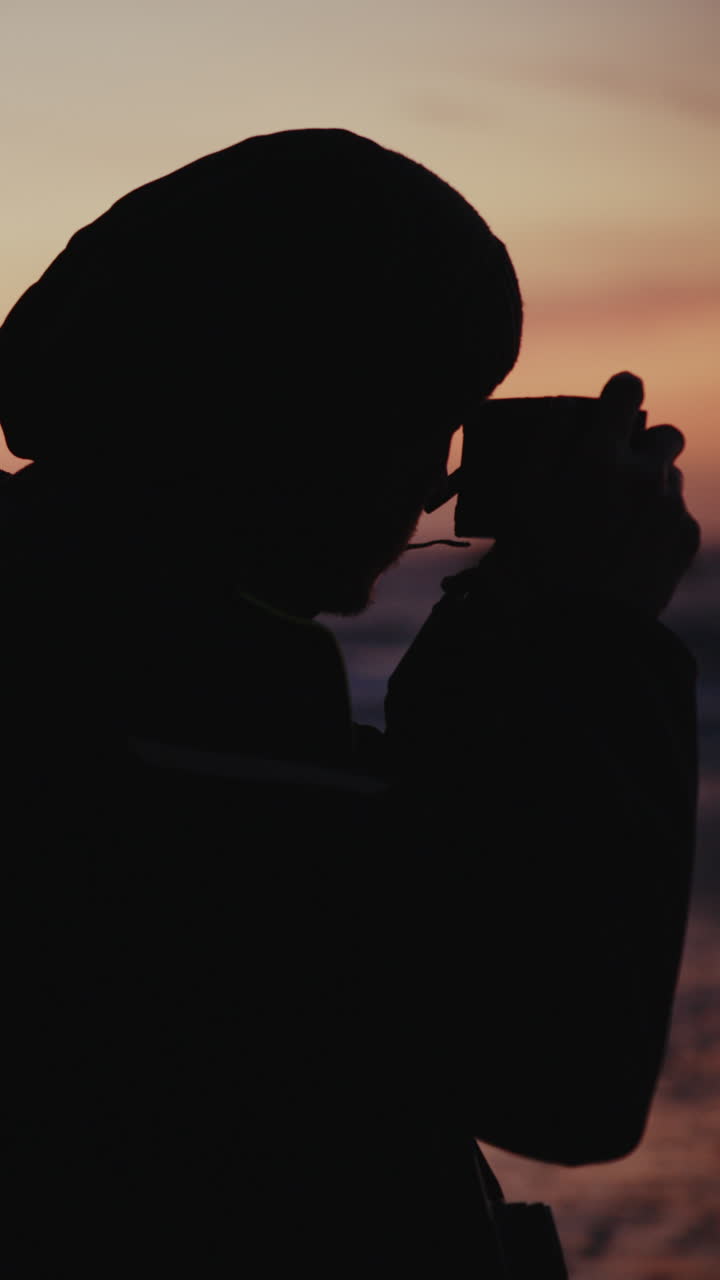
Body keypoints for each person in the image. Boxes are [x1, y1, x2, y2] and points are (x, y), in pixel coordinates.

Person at [0, 129, 699, 1275]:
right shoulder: (163, 726)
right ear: (296, 420)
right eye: (422, 414)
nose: (437, 477)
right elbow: (560, 1070)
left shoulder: (77, 626)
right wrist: (587, 633)